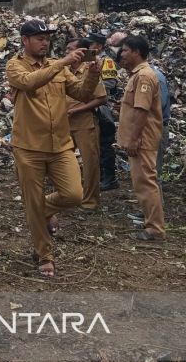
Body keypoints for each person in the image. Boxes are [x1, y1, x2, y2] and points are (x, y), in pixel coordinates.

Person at [7, 20, 100, 278]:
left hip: (60, 144)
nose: (44, 42)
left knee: (74, 194)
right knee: (32, 201)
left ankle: (43, 210)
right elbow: (29, 83)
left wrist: (93, 72)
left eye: (47, 37)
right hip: (28, 147)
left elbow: (82, 94)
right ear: (25, 40)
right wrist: (63, 62)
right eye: (39, 37)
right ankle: (45, 255)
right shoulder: (15, 65)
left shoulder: (58, 67)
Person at [116, 35, 165, 241]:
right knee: (142, 182)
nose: (122, 55)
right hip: (139, 139)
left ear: (136, 52)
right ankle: (151, 223)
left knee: (145, 182)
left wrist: (134, 139)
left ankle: (155, 228)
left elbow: (141, 110)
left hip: (143, 140)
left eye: (125, 50)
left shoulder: (144, 76)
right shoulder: (136, 74)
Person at [64, 38, 107, 212]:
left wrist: (78, 110)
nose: (67, 53)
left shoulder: (91, 70)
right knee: (63, 162)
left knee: (90, 164)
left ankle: (90, 202)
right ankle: (66, 197)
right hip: (64, 123)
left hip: (85, 123)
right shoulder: (64, 70)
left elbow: (102, 98)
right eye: (67, 50)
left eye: (71, 49)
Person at [86, 32, 120, 191]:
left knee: (106, 143)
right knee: (94, 144)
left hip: (103, 107)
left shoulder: (107, 61)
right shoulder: (87, 59)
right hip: (89, 106)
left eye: (91, 44)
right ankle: (97, 176)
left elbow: (110, 84)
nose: (87, 47)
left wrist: (89, 92)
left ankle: (110, 178)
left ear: (98, 46)